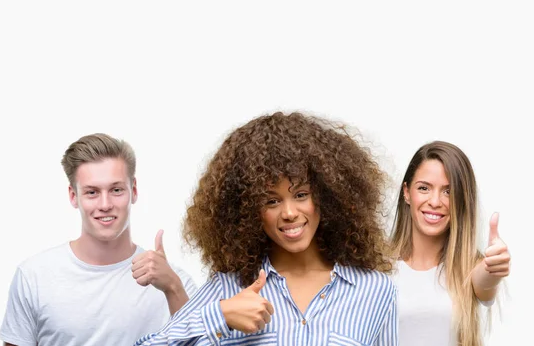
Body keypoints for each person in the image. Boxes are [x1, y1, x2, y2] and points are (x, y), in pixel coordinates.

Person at [134, 111, 398, 346]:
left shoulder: (375, 290)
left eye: (301, 194)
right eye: (271, 201)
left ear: (328, 196)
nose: (290, 213)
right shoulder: (229, 288)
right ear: (248, 211)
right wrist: (222, 315)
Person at [0, 133, 197, 346]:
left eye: (116, 190)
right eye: (92, 192)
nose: (105, 204)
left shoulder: (177, 283)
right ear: (74, 196)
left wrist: (173, 288)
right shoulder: (33, 276)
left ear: (134, 190)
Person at [389, 141, 511, 346]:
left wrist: (493, 268)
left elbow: (484, 280)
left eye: (448, 191)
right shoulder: (377, 268)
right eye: (424, 188)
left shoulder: (469, 268)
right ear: (407, 192)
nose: (435, 201)